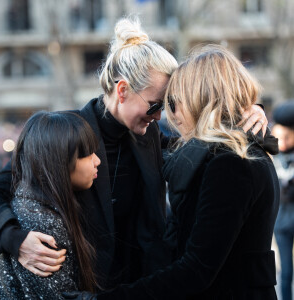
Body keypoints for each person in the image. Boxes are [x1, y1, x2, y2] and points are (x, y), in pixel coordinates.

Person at [0, 18, 269, 289]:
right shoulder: (61, 135)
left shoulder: (150, 137)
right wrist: (13, 239)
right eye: (154, 105)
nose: (160, 115)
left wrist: (245, 112)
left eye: (167, 104)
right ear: (123, 90)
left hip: (140, 287)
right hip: (83, 288)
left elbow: (213, 146)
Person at [64, 44, 280, 300]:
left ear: (200, 99)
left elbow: (196, 269)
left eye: (173, 103)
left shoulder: (230, 162)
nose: (169, 115)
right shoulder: (237, 153)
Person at [0, 111, 101, 299]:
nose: (97, 160)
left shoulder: (37, 203)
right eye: (87, 154)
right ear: (59, 160)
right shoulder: (41, 221)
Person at [272, 121, 294, 300]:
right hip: (282, 224)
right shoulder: (271, 158)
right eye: (279, 138)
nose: (282, 142)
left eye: (287, 137)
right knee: (285, 271)